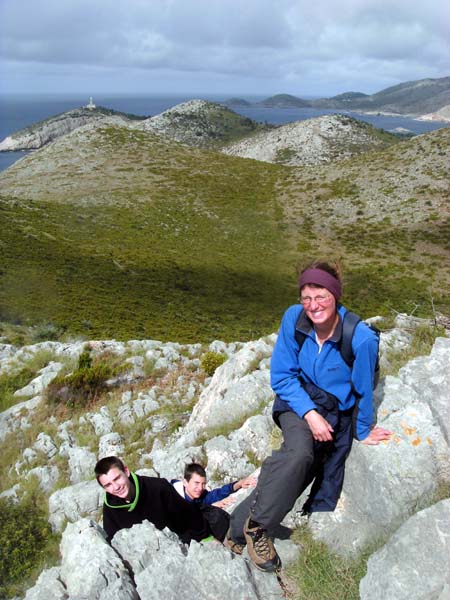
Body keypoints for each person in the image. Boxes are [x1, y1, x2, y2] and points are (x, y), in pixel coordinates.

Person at [226, 260, 392, 572]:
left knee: (297, 472)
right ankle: (258, 527)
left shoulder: (360, 338)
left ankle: (234, 529)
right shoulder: (294, 319)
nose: (313, 306)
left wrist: (364, 427)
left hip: (335, 411)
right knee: (300, 454)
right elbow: (282, 376)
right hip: (296, 399)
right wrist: (311, 414)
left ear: (336, 295)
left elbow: (363, 388)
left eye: (321, 296)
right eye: (306, 298)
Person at [95, 456, 229, 544]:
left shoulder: (158, 488)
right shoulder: (110, 508)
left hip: (179, 543)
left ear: (126, 471)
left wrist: (206, 538)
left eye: (117, 478)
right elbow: (114, 540)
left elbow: (187, 515)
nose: (116, 487)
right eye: (108, 485)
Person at [171, 463, 257, 508]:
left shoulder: (201, 496)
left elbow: (218, 494)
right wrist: (210, 508)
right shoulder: (173, 497)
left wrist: (239, 484)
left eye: (203, 484)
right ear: (185, 482)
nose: (200, 488)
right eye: (196, 483)